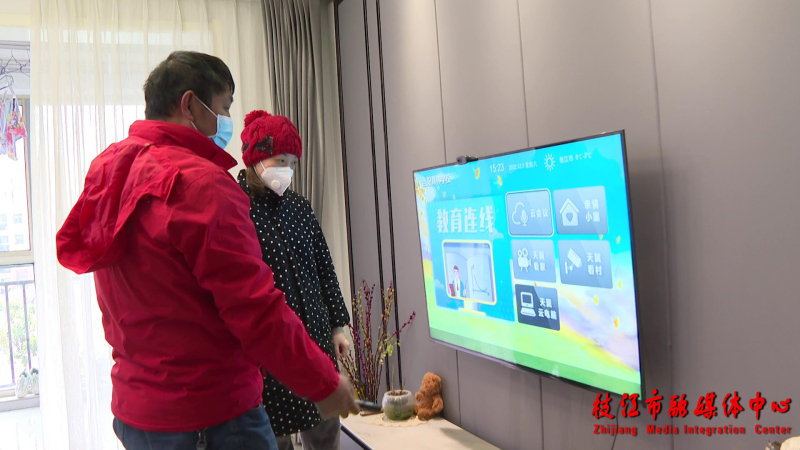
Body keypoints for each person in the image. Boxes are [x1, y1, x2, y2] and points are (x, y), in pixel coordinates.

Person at [56, 51, 358, 450]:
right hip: (210, 414)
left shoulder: (111, 170)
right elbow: (255, 309)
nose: (227, 120)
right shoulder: (202, 184)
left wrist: (335, 327)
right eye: (224, 107)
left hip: (138, 411)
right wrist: (324, 383)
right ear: (190, 106)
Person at [237, 110, 351, 450]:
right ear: (256, 159)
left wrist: (337, 327)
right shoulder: (235, 207)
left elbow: (324, 268)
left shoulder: (300, 208)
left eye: (292, 163)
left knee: (325, 430)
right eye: (279, 160)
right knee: (275, 437)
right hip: (270, 349)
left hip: (315, 339)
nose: (286, 169)